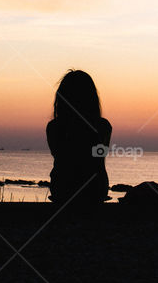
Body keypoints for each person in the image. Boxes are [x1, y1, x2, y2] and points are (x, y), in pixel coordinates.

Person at [46, 69, 112, 206]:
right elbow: (98, 158)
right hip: (96, 189)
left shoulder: (54, 127)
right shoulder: (103, 126)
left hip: (62, 189)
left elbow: (60, 157)